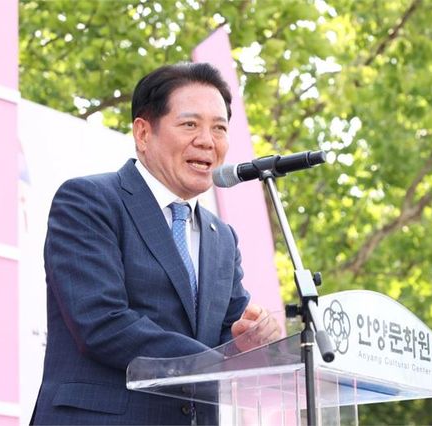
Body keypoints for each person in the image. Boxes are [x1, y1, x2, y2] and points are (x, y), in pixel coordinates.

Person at [31, 62, 280, 425]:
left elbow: (229, 333)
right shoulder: (89, 201)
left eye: (219, 128)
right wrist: (217, 363)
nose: (207, 141)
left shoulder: (222, 237)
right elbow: (102, 322)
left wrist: (251, 340)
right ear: (143, 133)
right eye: (190, 124)